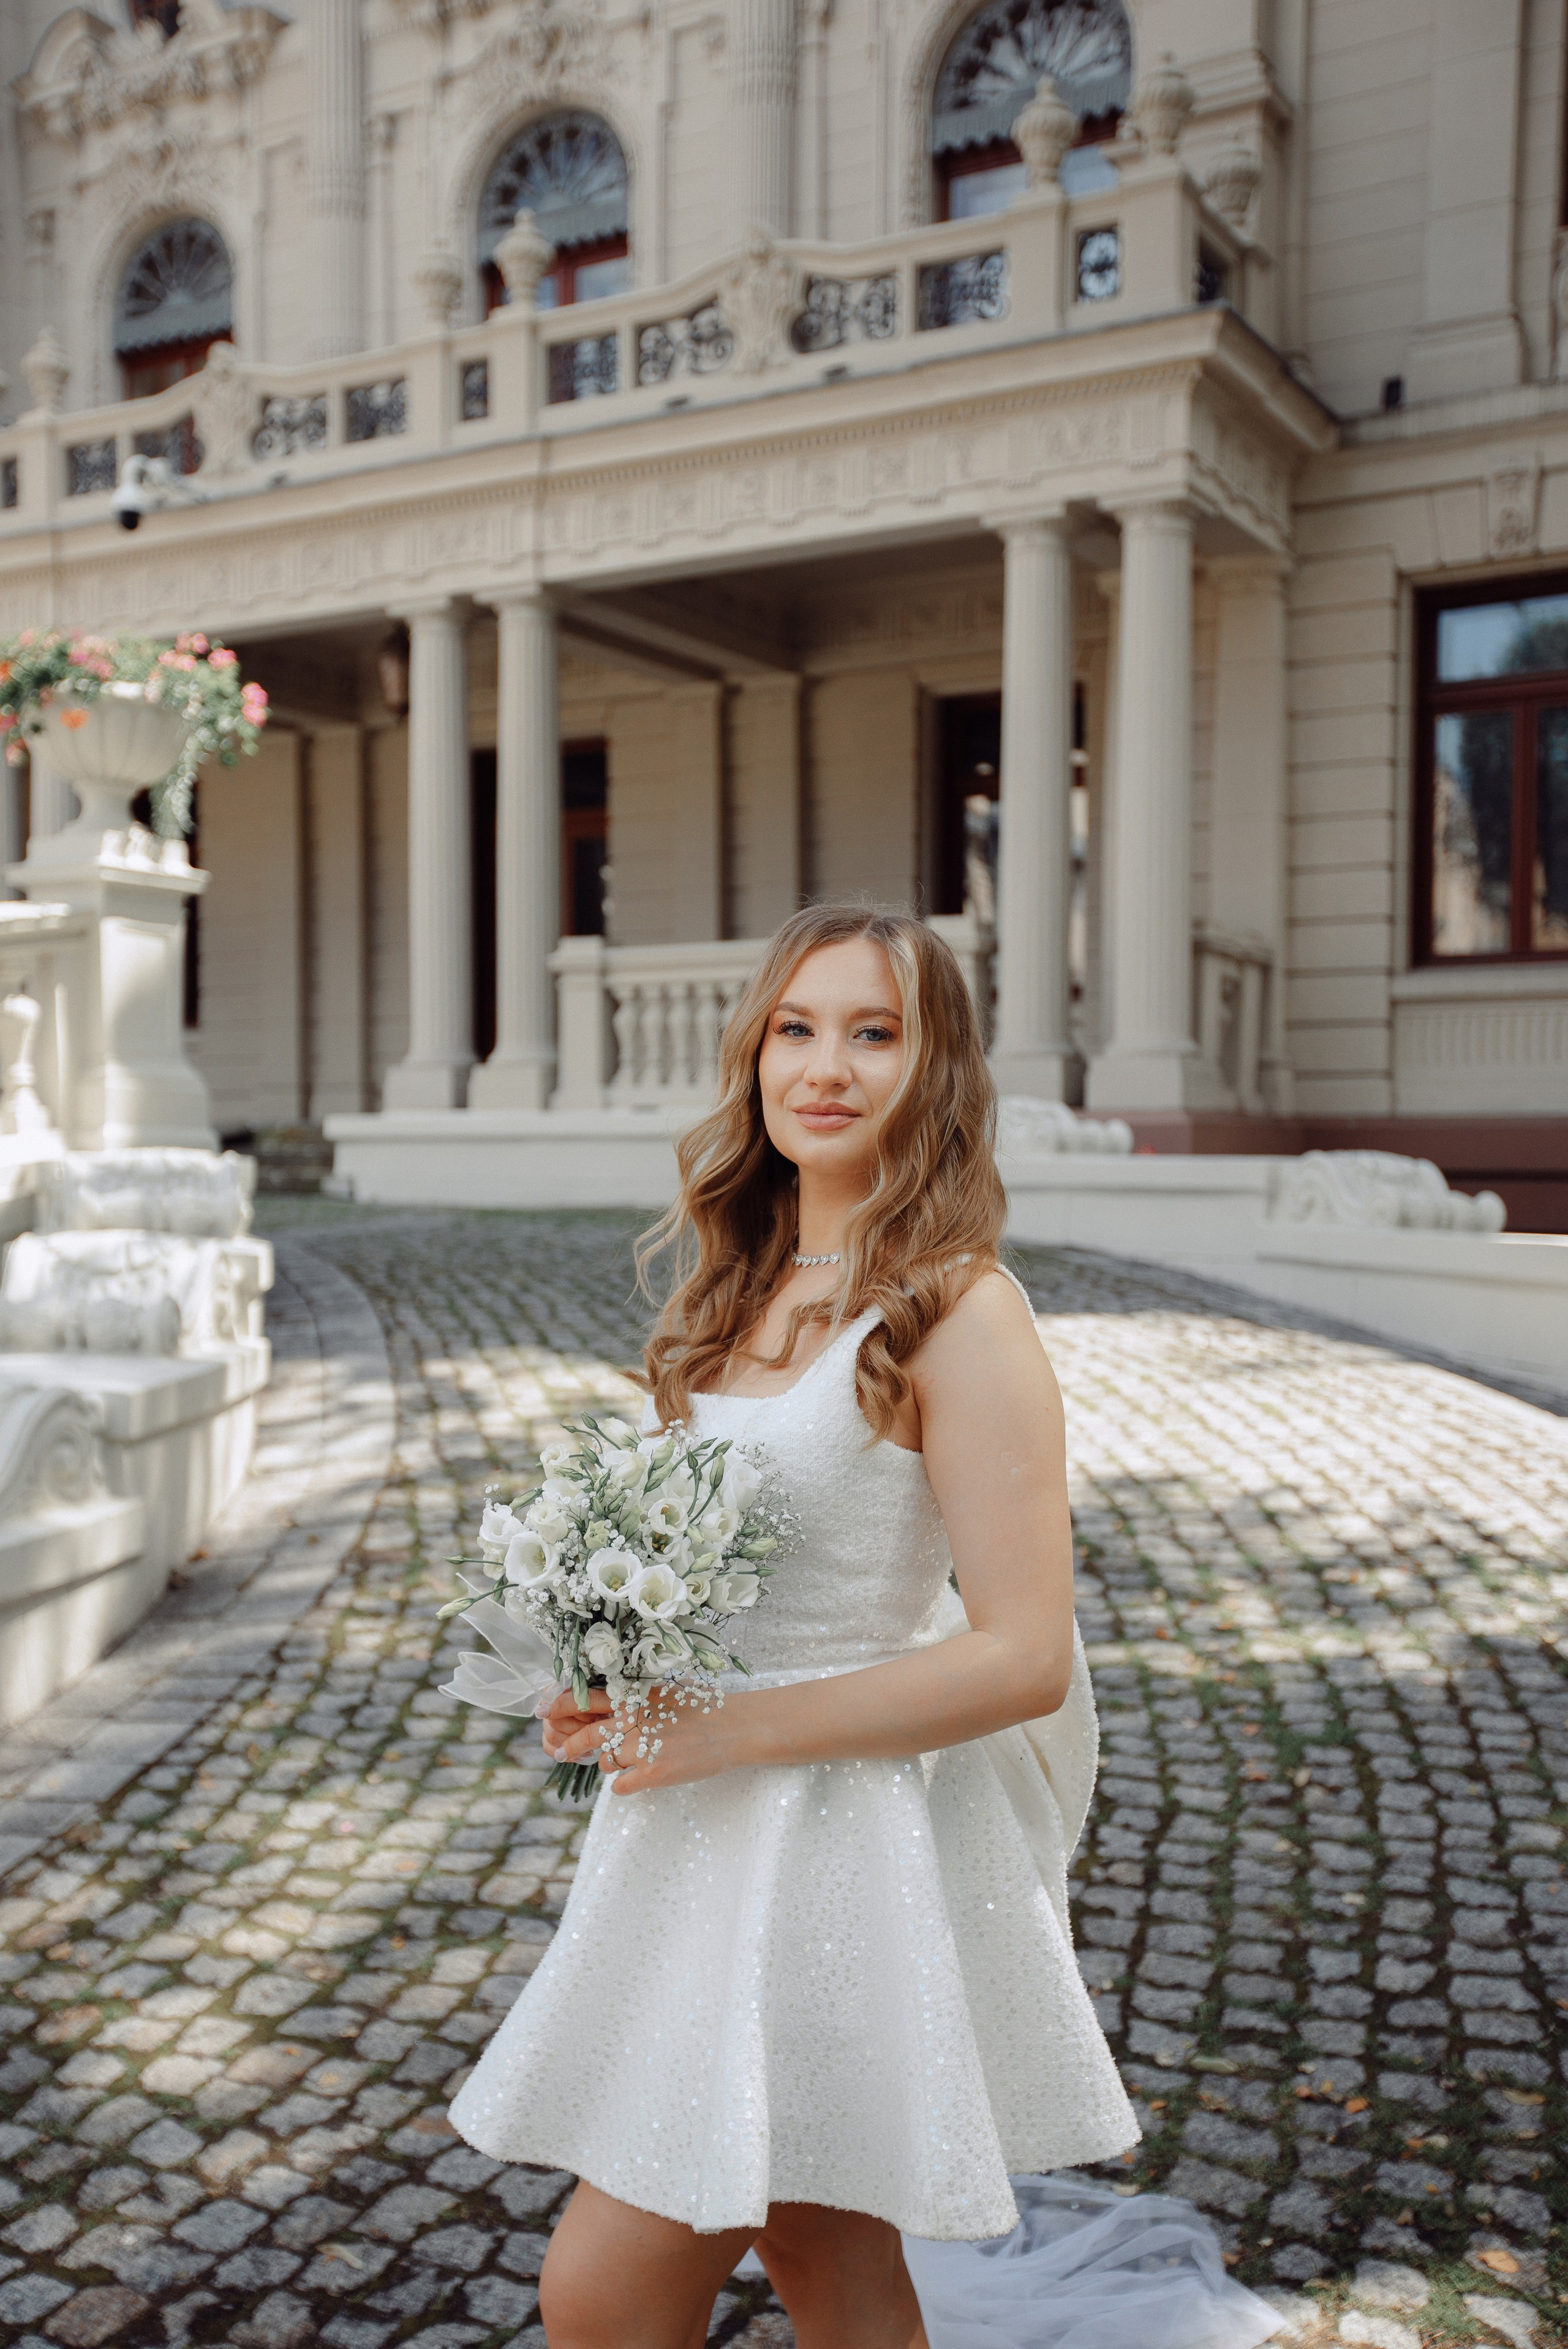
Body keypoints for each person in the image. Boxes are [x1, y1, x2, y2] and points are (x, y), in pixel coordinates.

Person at [445, 905, 1284, 2349]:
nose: (825, 1066)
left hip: (836, 1852)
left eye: (874, 1031)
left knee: (598, 2297)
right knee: (832, 2264)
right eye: (797, 1027)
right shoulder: (731, 1291)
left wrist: (733, 1727)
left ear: (933, 1068)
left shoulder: (961, 1316)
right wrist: (613, 1678)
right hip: (698, 1845)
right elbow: (730, 1583)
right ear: (755, 1054)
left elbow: (1023, 1653)